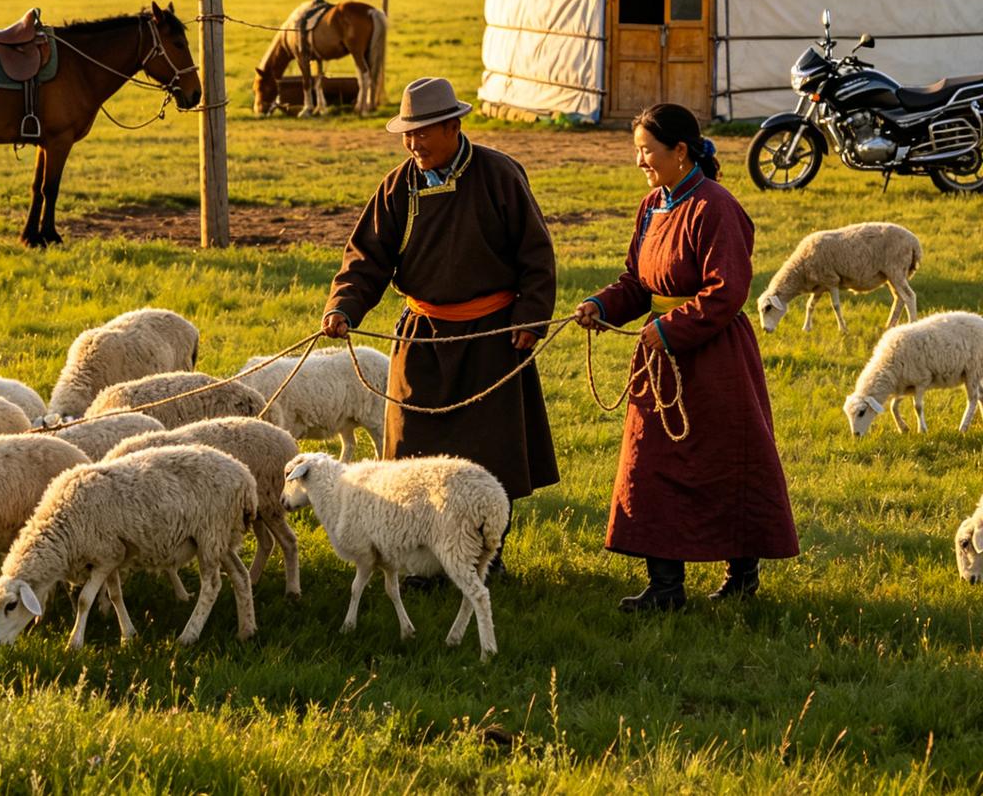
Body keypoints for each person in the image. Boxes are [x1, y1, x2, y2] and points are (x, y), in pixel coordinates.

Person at [321, 77, 559, 569]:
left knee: (490, 454)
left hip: (491, 337)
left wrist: (530, 319)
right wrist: (343, 306)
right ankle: (423, 563)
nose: (414, 144)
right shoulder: (398, 186)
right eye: (408, 134)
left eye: (423, 132)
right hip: (422, 339)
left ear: (452, 125)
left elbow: (536, 255)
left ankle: (487, 560)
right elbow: (367, 258)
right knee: (413, 453)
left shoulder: (499, 175)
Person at [574, 103, 798, 611]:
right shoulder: (653, 204)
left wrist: (671, 328)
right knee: (651, 465)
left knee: (724, 462)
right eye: (637, 152)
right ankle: (666, 588)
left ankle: (742, 576)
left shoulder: (715, 206)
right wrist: (601, 304)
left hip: (714, 359)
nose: (640, 163)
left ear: (679, 151)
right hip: (661, 361)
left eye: (647, 151)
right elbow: (638, 281)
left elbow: (727, 291)